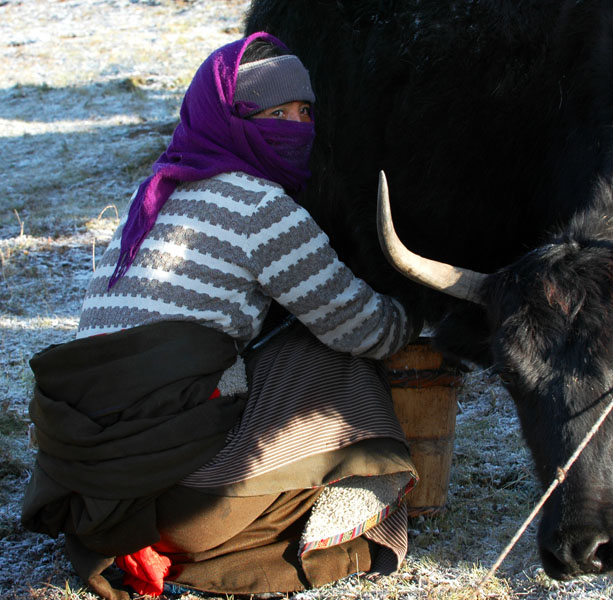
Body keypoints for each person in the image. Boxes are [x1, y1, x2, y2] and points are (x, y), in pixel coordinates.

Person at [22, 32, 420, 599]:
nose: (294, 126)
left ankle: (138, 529)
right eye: (273, 113)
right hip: (183, 500)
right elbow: (363, 328)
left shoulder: (153, 197)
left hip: (92, 483)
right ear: (232, 118)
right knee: (333, 355)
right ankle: (279, 524)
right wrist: (412, 315)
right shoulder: (262, 207)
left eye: (304, 112)